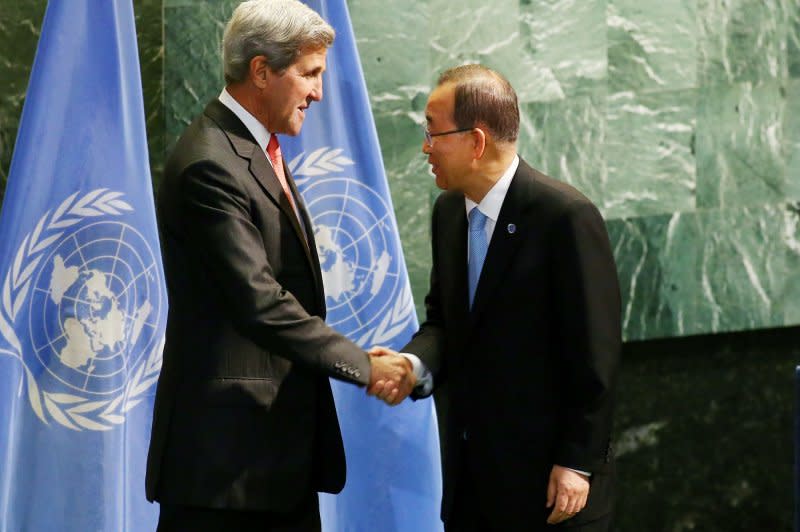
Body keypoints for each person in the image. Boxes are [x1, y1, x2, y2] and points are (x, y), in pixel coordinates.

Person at [145, 1, 415, 530]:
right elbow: (260, 302)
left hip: (271, 462)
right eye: (310, 74)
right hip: (226, 472)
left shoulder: (251, 147)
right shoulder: (210, 163)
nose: (318, 92)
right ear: (262, 71)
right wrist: (364, 365)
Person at [371, 64, 621, 530]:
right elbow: (445, 322)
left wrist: (577, 463)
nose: (425, 146)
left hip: (550, 489)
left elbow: (596, 355)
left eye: (433, 131)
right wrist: (413, 365)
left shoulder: (564, 216)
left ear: (477, 141)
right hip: (473, 483)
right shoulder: (448, 212)